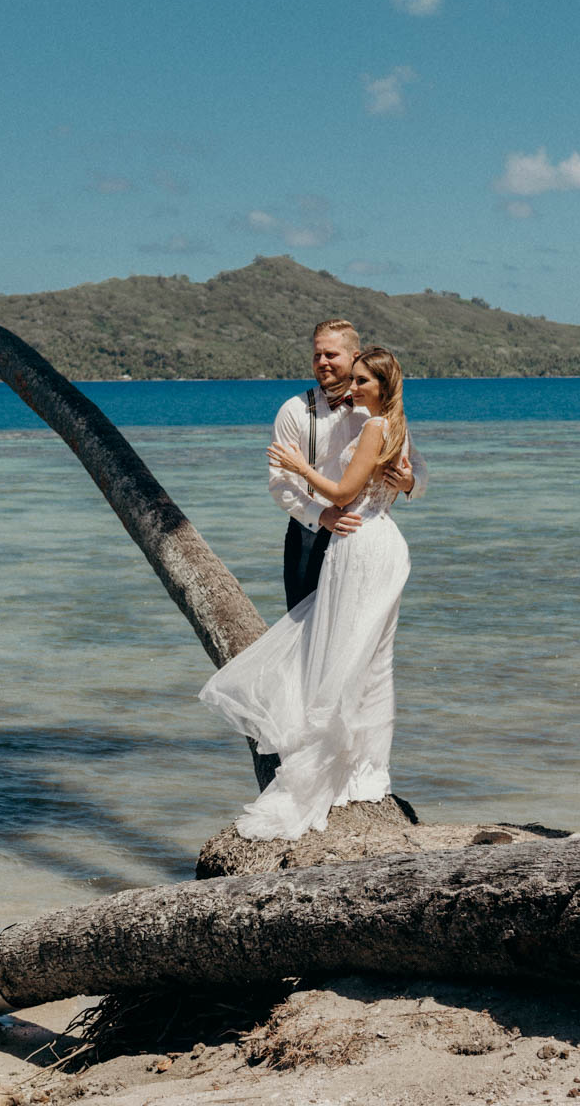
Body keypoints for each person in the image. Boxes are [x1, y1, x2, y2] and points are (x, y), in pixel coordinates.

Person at [199, 346, 415, 840]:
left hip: (361, 543)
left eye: (363, 381)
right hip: (379, 542)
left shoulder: (376, 427)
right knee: (370, 660)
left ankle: (340, 769)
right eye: (353, 379)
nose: (353, 388)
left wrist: (298, 465)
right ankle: (367, 772)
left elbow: (343, 494)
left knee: (344, 655)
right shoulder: (395, 423)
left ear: (381, 385)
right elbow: (389, 480)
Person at [272, 319, 426, 609]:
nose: (322, 362)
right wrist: (321, 515)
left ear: (355, 356)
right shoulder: (293, 411)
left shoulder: (378, 412)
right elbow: (279, 482)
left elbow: (417, 467)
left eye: (331, 355)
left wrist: (409, 483)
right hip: (309, 533)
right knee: (302, 627)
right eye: (317, 355)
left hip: (361, 535)